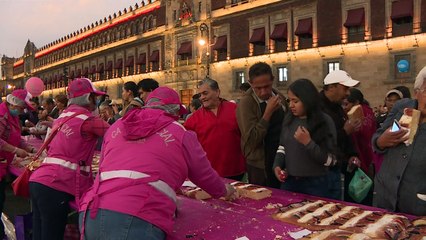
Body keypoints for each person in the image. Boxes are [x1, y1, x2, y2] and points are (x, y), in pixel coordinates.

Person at [79, 87, 236, 240]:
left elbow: (105, 166)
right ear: (173, 111)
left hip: (92, 212)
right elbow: (203, 174)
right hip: (138, 215)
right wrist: (224, 191)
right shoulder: (179, 132)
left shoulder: (118, 125)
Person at [29, 78, 110, 240]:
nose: (98, 102)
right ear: (89, 98)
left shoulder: (63, 116)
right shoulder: (88, 120)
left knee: (39, 234)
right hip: (57, 185)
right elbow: (117, 133)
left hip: (39, 180)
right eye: (96, 98)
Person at [372, 66, 426, 216]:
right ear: (417, 92)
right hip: (386, 198)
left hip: (418, 205)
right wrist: (381, 141)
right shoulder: (402, 107)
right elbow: (377, 139)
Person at [273, 79, 337, 198]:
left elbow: (331, 161)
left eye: (295, 101)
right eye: (289, 100)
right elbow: (282, 146)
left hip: (316, 184)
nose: (291, 105)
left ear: (308, 100)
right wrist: (277, 165)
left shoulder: (325, 121)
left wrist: (308, 143)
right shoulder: (289, 119)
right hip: (290, 182)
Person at [236, 62, 286, 188]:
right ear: (251, 83)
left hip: (281, 161)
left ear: (273, 80)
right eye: (258, 88)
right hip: (260, 165)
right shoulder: (246, 104)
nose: (263, 92)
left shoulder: (280, 97)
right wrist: (267, 113)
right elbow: (252, 140)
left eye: (267, 86)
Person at [184, 78, 246, 180]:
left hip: (236, 170)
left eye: (205, 93)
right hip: (208, 173)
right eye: (200, 95)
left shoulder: (235, 109)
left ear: (217, 92)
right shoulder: (193, 119)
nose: (202, 98)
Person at [0, 89, 37, 239]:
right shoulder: (1, 117)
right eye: (22, 108)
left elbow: (18, 137)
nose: (23, 111)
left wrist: (30, 148)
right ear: (14, 105)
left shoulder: (13, 117)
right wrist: (15, 150)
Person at [319, 70, 361, 201]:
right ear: (332, 87)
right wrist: (345, 132)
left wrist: (352, 154)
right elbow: (320, 140)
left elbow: (345, 135)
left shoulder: (337, 107)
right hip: (321, 173)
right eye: (345, 88)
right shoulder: (316, 108)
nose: (347, 93)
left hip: (336, 169)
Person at [343, 88, 378, 205]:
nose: (344, 107)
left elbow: (356, 136)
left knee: (355, 196)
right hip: (369, 158)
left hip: (357, 158)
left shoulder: (357, 114)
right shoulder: (370, 112)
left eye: (346, 104)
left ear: (356, 102)